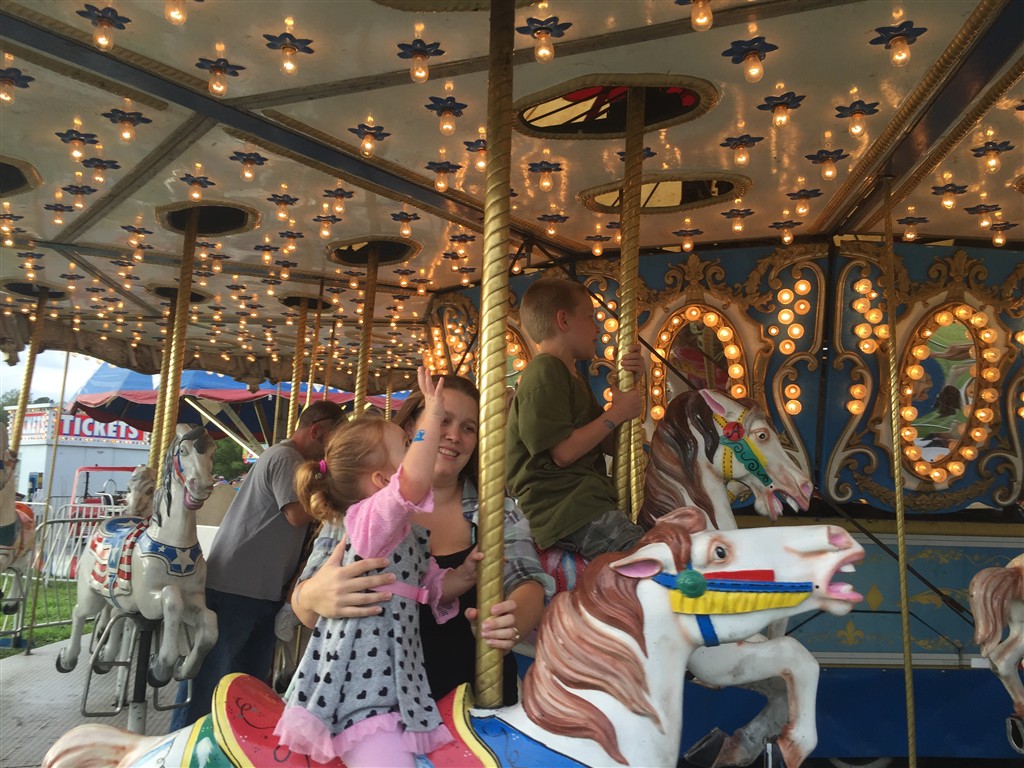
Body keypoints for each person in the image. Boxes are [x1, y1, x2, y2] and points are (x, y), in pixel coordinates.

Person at [292, 374, 553, 706]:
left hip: (470, 691)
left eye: (468, 428)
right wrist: (315, 595)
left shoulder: (496, 513)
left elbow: (526, 580)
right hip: (373, 694)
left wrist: (510, 623)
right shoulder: (361, 506)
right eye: (441, 419)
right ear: (412, 428)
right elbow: (304, 605)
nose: (454, 435)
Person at [275, 371, 480, 767]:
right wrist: (431, 415)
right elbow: (413, 482)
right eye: (407, 444)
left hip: (401, 685)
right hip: (362, 688)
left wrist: (464, 577)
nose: (441, 438)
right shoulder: (369, 522)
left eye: (467, 427)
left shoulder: (407, 535)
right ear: (384, 480)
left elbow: (428, 586)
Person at [169, 398, 344, 731]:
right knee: (212, 676)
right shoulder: (286, 457)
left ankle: (233, 741)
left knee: (248, 683)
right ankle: (182, 740)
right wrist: (339, 491)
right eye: (332, 442)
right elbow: (296, 514)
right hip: (238, 584)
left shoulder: (289, 459)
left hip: (261, 587)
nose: (330, 452)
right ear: (317, 432)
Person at [506, 277, 645, 559]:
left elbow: (609, 445)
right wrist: (617, 412)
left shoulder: (573, 378)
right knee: (648, 557)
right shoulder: (544, 371)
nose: (597, 328)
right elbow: (563, 453)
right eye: (590, 317)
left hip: (585, 501)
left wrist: (634, 385)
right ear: (563, 320)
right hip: (564, 508)